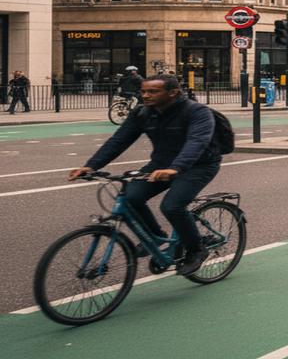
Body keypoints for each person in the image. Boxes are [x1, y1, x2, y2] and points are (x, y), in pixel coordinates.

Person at [67, 74, 221, 276]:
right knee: (131, 198)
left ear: (173, 93)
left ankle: (196, 249)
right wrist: (91, 166)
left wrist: (176, 168)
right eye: (143, 91)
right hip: (161, 164)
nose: (146, 96)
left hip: (199, 164)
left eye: (153, 91)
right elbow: (119, 140)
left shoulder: (197, 112)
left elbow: (197, 142)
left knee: (172, 206)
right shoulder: (142, 113)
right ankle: (156, 237)